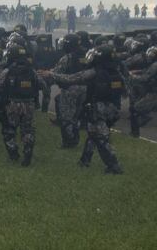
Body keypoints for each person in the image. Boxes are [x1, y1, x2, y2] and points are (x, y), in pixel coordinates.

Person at [46, 44, 126, 174]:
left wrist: (51, 74)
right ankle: (85, 160)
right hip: (113, 109)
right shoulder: (117, 72)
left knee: (101, 138)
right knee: (92, 134)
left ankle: (114, 166)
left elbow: (72, 78)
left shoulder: (95, 71)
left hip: (98, 109)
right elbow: (126, 91)